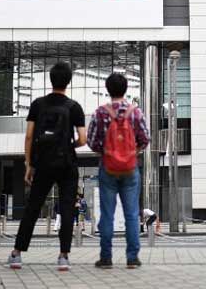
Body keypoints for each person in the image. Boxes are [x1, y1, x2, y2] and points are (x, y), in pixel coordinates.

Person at [8, 62, 87, 271]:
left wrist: (29, 164)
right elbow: (83, 139)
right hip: (67, 165)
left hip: (42, 163)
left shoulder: (38, 105)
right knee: (67, 208)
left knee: (33, 207)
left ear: (50, 80)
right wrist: (69, 145)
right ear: (68, 81)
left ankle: (16, 254)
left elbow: (29, 136)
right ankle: (63, 257)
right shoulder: (74, 107)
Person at [87, 73, 150, 269]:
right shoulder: (135, 112)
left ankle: (106, 258)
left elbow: (91, 141)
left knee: (107, 214)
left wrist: (106, 153)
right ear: (125, 89)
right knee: (132, 213)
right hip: (131, 168)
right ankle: (132, 258)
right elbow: (145, 138)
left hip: (108, 168)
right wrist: (132, 152)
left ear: (108, 89)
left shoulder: (100, 112)